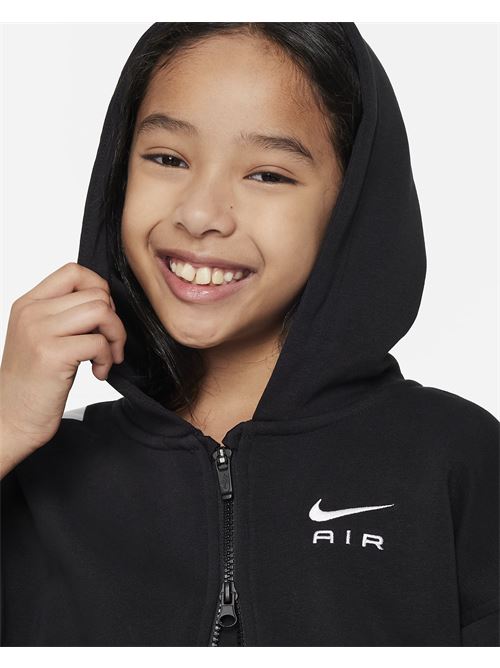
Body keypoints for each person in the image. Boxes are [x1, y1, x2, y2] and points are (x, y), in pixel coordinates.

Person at [0, 22, 498, 647]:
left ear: (352, 203)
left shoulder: (456, 458)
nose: (200, 214)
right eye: (167, 159)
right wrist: (6, 427)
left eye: (267, 175)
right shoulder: (36, 473)